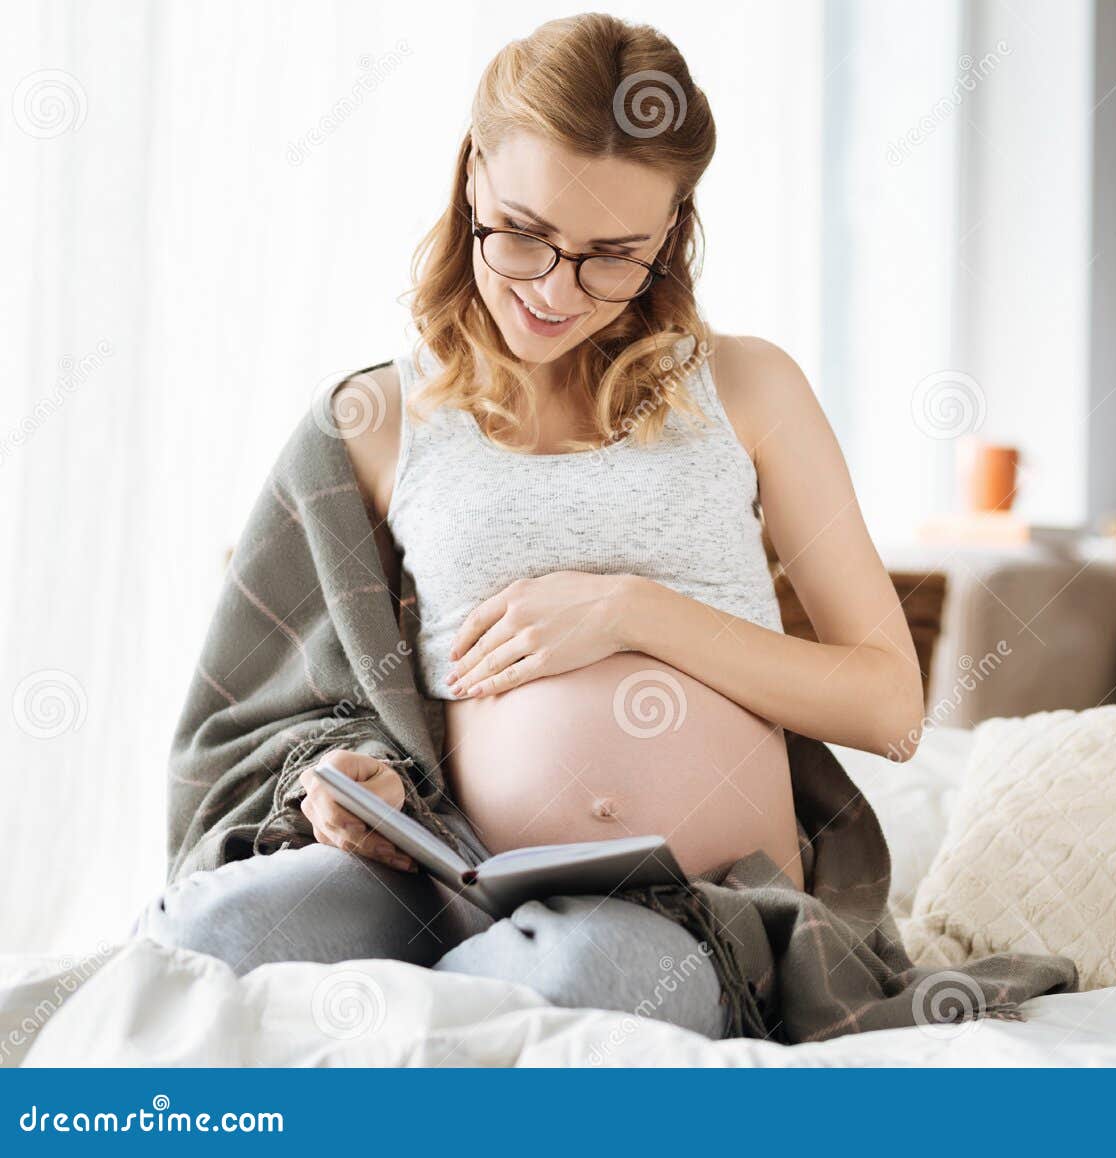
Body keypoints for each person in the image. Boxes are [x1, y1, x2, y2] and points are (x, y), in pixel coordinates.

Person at [139, 12, 924, 1039]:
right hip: (442, 869)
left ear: (673, 231)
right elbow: (270, 713)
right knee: (220, 936)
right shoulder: (373, 423)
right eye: (523, 232)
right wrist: (339, 782)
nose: (556, 291)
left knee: (578, 984)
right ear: (472, 179)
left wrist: (634, 613)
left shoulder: (749, 387)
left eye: (611, 256)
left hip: (696, 901)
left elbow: (889, 706)